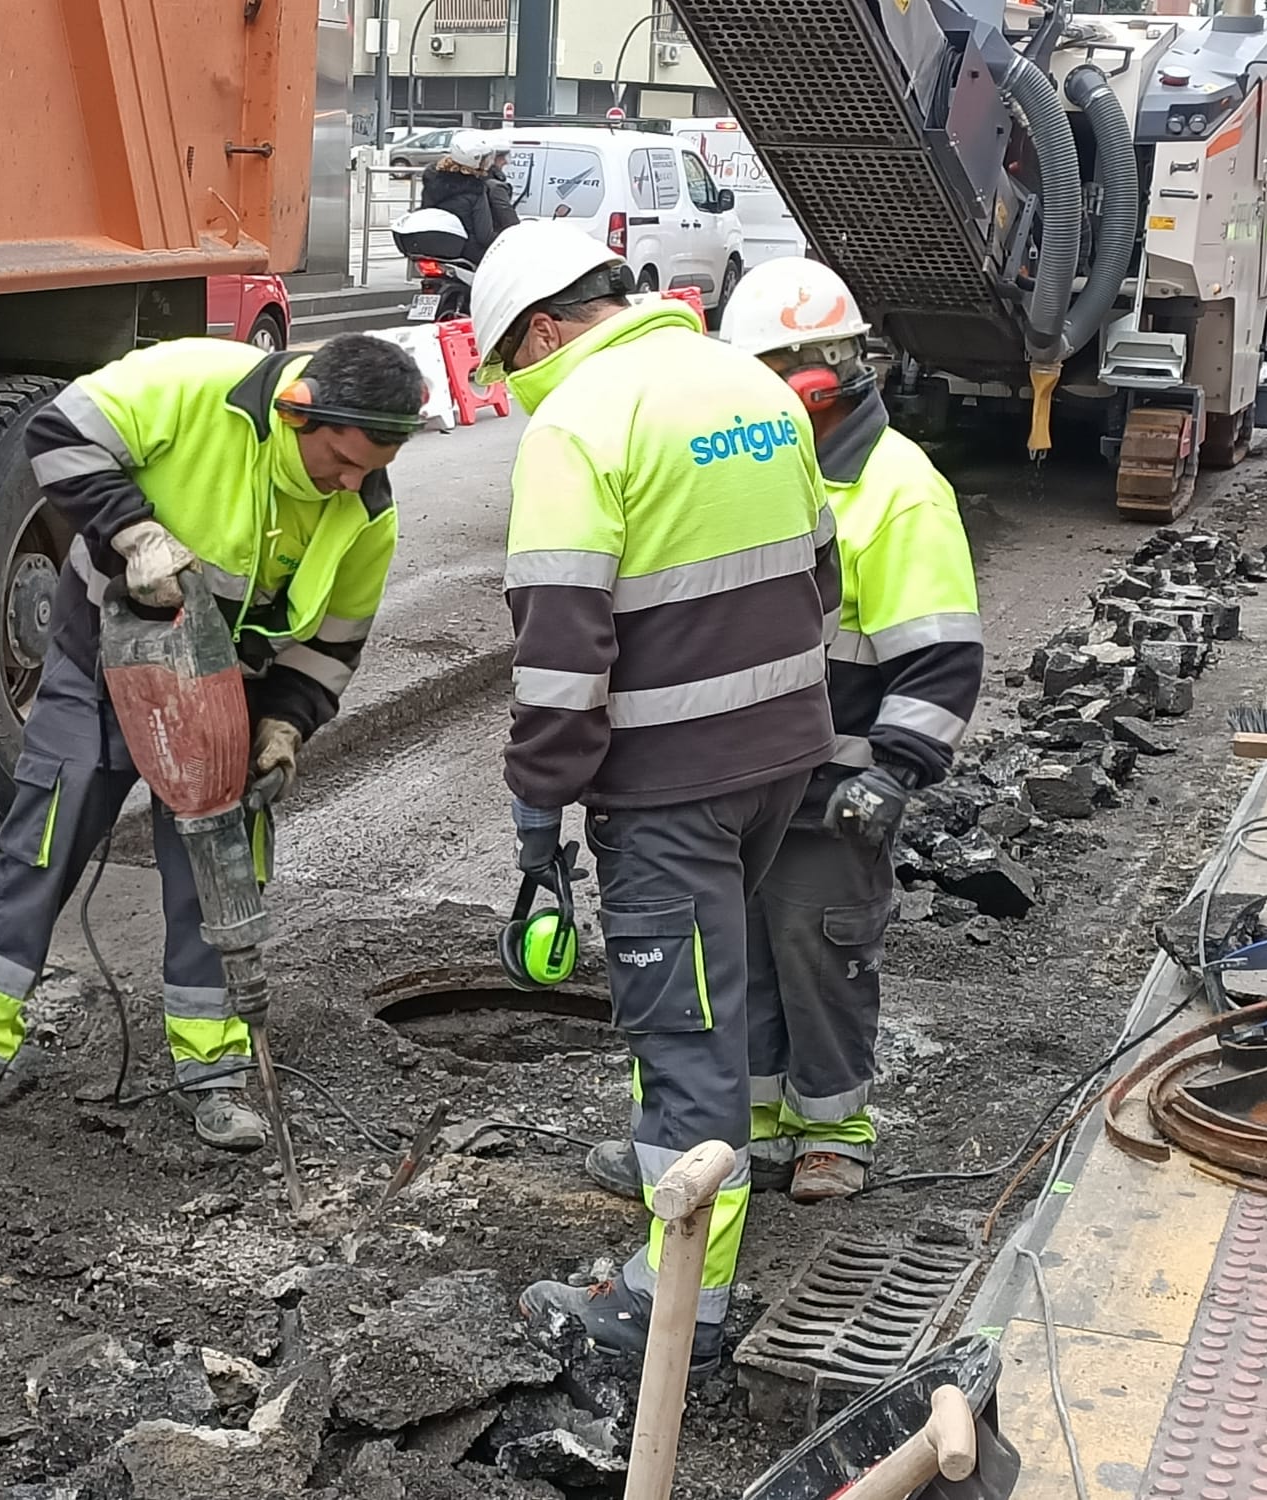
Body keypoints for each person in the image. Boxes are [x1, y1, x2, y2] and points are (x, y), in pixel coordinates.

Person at [473, 221, 841, 1372]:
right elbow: (820, 576)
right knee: (702, 991)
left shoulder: (580, 422)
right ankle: (689, 1163)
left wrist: (541, 812)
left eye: (504, 368)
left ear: (538, 332)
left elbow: (557, 655)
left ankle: (677, 1300)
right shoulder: (748, 384)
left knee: (677, 1026)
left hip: (668, 792)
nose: (512, 392)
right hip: (778, 760)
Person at [0, 333, 427, 1159]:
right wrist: (131, 532)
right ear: (299, 411)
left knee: (217, 883)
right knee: (39, 859)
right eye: (338, 460)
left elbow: (333, 642)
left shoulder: (364, 509)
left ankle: (215, 1075)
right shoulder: (194, 383)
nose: (348, 482)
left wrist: (286, 723)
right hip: (107, 669)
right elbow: (55, 433)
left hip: (232, 699)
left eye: (368, 468)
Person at [585, 259, 982, 1205]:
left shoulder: (899, 489)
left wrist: (892, 773)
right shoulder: (766, 464)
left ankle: (833, 1127)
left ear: (810, 381)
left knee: (823, 955)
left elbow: (941, 658)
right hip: (750, 780)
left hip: (836, 787)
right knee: (741, 965)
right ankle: (749, 1130)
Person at [419, 130, 505, 263]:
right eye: (485, 158)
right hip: (468, 251)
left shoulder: (433, 180)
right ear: (475, 160)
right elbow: (485, 236)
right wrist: (506, 238)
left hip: (436, 245)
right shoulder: (475, 190)